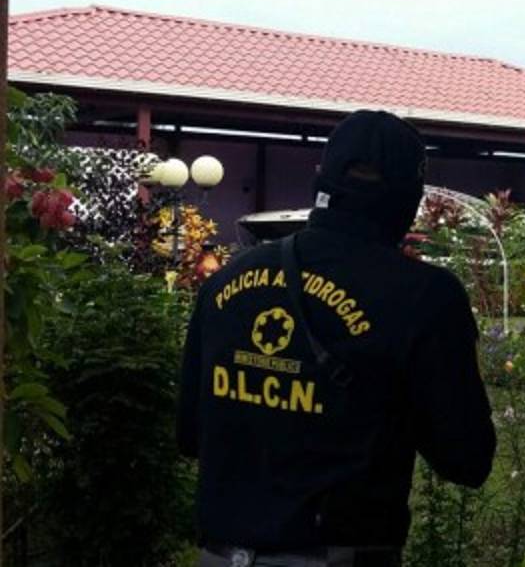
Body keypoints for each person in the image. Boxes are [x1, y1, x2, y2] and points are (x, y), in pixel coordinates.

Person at [177, 110, 496, 566]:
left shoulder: (227, 281)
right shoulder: (424, 297)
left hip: (221, 555)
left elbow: (190, 435)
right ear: (410, 197)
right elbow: (467, 459)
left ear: (319, 179)